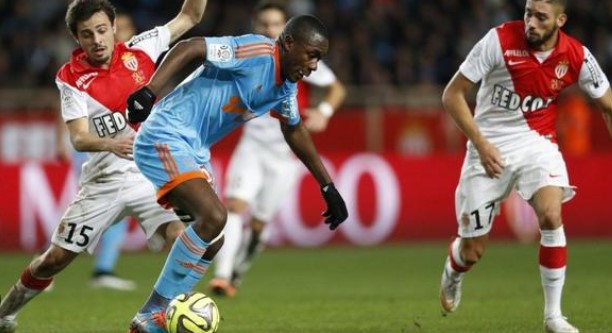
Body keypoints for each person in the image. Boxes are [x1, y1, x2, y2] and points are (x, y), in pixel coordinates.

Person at [125, 14, 349, 333]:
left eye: (320, 58)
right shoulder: (256, 51)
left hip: (194, 151)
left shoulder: (284, 88)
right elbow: (191, 47)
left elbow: (295, 131)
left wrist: (328, 187)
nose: (314, 65)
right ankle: (153, 313)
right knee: (215, 216)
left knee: (213, 242)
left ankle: (160, 319)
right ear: (287, 43)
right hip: (165, 133)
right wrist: (149, 91)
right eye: (312, 54)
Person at [0, 0, 208, 331]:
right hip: (103, 182)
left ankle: (160, 314)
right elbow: (79, 138)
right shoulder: (70, 78)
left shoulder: (142, 47)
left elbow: (190, 16)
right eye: (87, 34)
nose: (96, 40)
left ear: (113, 27)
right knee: (54, 260)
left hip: (148, 176)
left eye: (101, 30)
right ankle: (5, 313)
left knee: (181, 235)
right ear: (76, 39)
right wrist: (112, 143)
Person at [437, 1, 612, 332]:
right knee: (473, 250)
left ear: (560, 20)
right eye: (528, 13)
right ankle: (454, 268)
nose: (530, 22)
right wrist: (482, 143)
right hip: (487, 144)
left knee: (551, 215)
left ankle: (553, 316)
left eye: (540, 17)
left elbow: (608, 104)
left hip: (537, 143)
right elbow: (452, 95)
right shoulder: (498, 40)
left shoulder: (576, 55)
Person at [208, 1, 346, 297]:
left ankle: (236, 272)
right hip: (252, 145)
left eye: (275, 24)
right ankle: (221, 274)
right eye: (264, 24)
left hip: (284, 156)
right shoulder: (251, 53)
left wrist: (323, 110)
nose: (269, 29)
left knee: (258, 225)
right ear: (256, 26)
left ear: (287, 32)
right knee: (234, 206)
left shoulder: (302, 58)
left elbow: (336, 89)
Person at [54, 10, 138, 292]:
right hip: (93, 147)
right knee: (86, 208)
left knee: (117, 210)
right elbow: (67, 109)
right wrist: (61, 140)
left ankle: (102, 269)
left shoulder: (133, 62)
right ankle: (53, 261)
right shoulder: (81, 69)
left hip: (124, 146)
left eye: (125, 28)